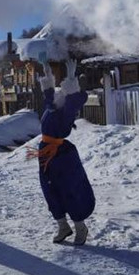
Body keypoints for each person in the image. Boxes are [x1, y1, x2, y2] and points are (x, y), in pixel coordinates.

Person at [31, 59, 95, 245]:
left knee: (69, 190)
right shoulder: (52, 108)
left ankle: (80, 226)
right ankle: (62, 226)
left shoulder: (66, 113)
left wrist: (71, 78)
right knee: (49, 190)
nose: (57, 95)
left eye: (62, 93)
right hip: (46, 153)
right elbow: (49, 97)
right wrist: (47, 75)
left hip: (62, 156)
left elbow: (74, 100)